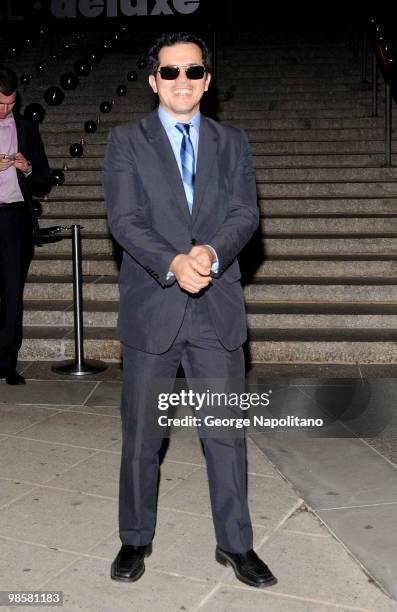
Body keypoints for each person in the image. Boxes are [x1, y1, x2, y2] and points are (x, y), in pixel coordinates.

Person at [102, 32, 277, 588]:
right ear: (153, 79)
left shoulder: (234, 142)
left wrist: (210, 253)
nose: (183, 81)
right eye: (170, 72)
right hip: (154, 306)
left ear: (208, 79)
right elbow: (124, 219)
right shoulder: (126, 141)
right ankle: (134, 539)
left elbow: (245, 214)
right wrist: (174, 262)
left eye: (193, 71)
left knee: (224, 433)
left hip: (217, 307)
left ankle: (237, 544)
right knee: (143, 436)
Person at [0, 68, 51, 385]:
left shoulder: (26, 128)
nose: (5, 110)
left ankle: (6, 362)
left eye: (9, 103)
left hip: (14, 219)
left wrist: (27, 167)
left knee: (11, 292)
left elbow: (44, 179)